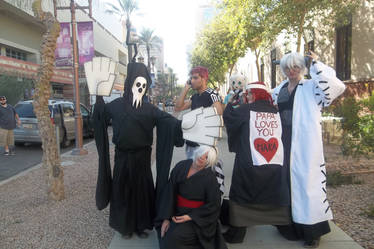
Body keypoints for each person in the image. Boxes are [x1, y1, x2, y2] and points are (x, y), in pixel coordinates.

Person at [93, 62, 184, 239]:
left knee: (141, 193)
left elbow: (168, 121)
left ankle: (141, 225)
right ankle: (124, 227)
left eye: (144, 85)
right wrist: (98, 97)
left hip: (142, 158)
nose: (140, 88)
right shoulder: (116, 105)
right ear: (130, 84)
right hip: (123, 157)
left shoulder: (150, 109)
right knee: (122, 192)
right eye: (137, 84)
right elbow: (100, 116)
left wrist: (184, 125)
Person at [272, 51, 346, 248]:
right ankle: (290, 226)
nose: (292, 71)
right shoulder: (279, 89)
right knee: (287, 183)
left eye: (296, 67)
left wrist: (316, 64)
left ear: (302, 67)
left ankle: (313, 232)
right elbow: (266, 104)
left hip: (304, 144)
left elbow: (337, 86)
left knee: (308, 184)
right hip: (283, 143)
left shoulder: (312, 86)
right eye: (288, 68)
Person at [222, 82, 291, 243]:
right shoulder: (275, 111)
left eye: (249, 94)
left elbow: (229, 119)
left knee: (242, 191)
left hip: (249, 163)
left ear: (255, 94)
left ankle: (238, 231)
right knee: (275, 192)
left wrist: (229, 104)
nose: (248, 97)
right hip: (275, 163)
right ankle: (283, 225)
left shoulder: (245, 110)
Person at [156, 145, 227, 249]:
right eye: (202, 153)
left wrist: (191, 217)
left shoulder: (210, 178)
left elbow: (213, 205)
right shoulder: (181, 166)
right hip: (175, 212)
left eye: (206, 157)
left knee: (175, 237)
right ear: (197, 151)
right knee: (163, 232)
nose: (202, 157)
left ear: (209, 162)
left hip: (196, 219)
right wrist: (166, 218)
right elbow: (169, 193)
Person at [175, 66, 223, 159]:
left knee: (202, 172)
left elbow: (218, 112)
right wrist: (185, 89)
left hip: (204, 145)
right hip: (191, 143)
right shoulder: (194, 96)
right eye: (191, 78)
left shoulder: (212, 94)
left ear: (204, 79)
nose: (192, 81)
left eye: (195, 78)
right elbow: (178, 108)